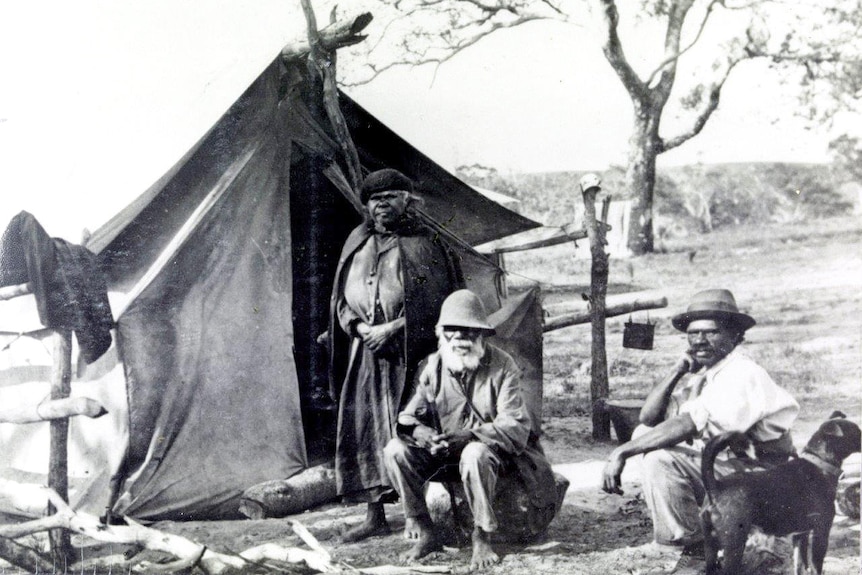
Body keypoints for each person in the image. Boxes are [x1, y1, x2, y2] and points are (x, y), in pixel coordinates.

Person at [601, 289, 800, 574]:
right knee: (646, 437)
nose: (699, 341)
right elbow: (649, 418)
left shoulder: (743, 373)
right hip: (733, 470)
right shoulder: (709, 374)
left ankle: (696, 552)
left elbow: (688, 424)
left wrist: (621, 452)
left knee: (658, 457)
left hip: (765, 478)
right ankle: (698, 546)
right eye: (692, 334)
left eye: (711, 333)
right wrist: (677, 369)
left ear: (735, 336)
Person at [329, 168, 463, 542]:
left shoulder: (427, 244)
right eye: (374, 198)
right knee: (365, 430)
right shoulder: (356, 242)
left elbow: (442, 305)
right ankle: (374, 515)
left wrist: (392, 327)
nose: (381, 204)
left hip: (411, 357)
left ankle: (414, 515)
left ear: (407, 199)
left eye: (390, 196)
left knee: (407, 431)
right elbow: (340, 302)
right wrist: (359, 328)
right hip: (365, 357)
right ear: (366, 204)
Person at [384, 289, 556, 570]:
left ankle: (481, 536)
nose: (461, 338)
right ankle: (426, 530)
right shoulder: (434, 366)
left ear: (482, 335)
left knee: (475, 453)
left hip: (498, 458)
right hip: (447, 456)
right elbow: (407, 417)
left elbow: (514, 425)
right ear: (442, 333)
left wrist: (469, 436)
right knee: (395, 450)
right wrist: (421, 434)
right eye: (453, 331)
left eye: (469, 331)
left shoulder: (503, 366)